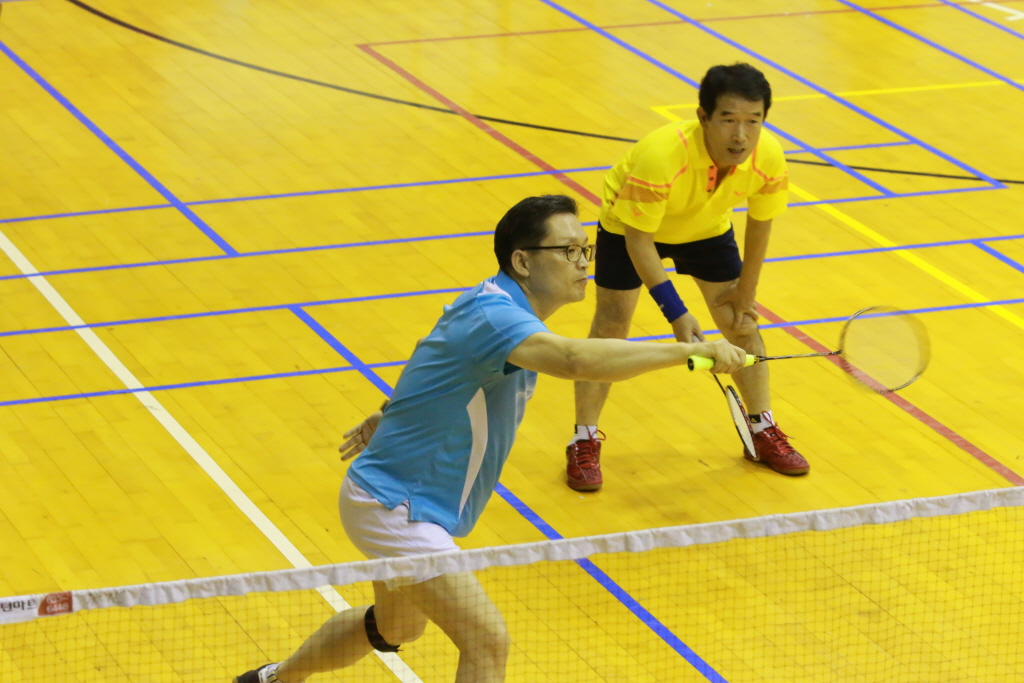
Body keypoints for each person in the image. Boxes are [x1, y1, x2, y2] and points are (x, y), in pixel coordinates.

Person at [233, 195, 745, 683]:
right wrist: (687, 353)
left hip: (401, 496)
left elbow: (436, 352)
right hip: (397, 506)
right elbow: (574, 360)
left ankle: (274, 678)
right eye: (568, 251)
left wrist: (392, 410)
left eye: (585, 249)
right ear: (522, 261)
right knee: (486, 640)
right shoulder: (495, 315)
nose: (583, 263)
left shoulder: (492, 303)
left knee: (395, 627)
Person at [566, 62, 810, 493]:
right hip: (630, 227)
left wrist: (746, 292)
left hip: (706, 228)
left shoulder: (768, 156)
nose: (741, 135)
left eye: (753, 121)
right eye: (729, 120)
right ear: (703, 117)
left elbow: (760, 223)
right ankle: (583, 439)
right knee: (611, 326)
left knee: (741, 324)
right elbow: (640, 242)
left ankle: (761, 428)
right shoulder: (662, 157)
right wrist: (676, 313)